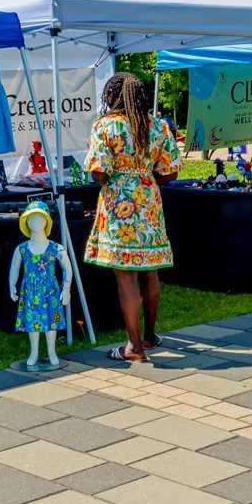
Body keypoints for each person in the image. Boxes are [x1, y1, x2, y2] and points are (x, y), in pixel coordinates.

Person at [85, 72, 181, 364]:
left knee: (125, 275)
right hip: (149, 201)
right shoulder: (158, 125)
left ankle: (134, 347)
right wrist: (144, 178)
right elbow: (171, 171)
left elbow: (97, 172)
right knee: (149, 271)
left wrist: (116, 177)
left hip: (119, 205)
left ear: (112, 96)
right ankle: (150, 336)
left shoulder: (106, 125)